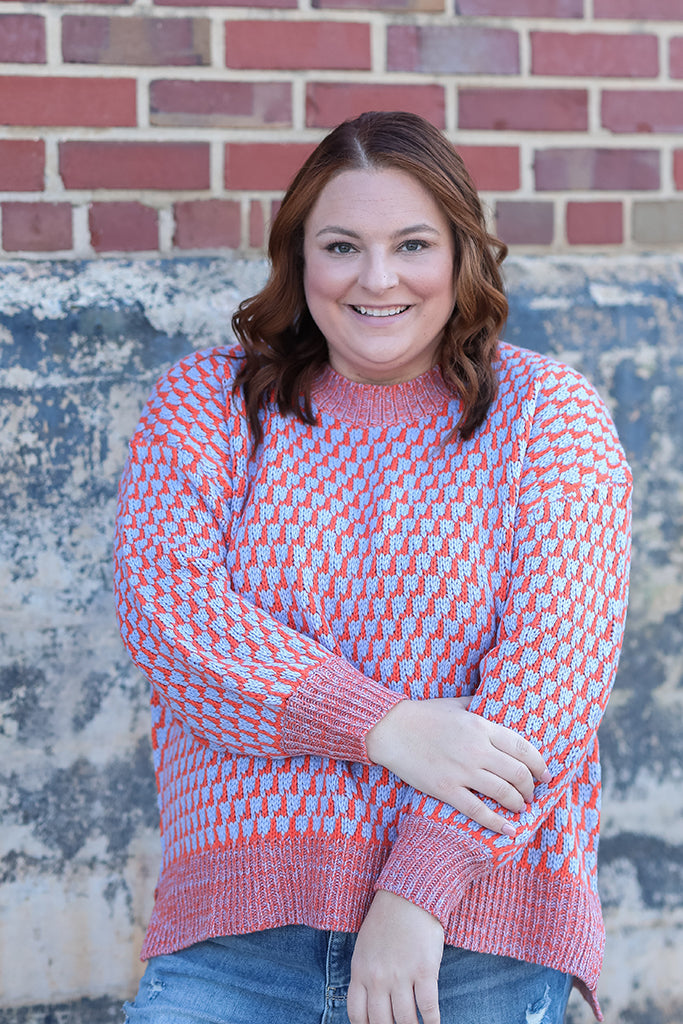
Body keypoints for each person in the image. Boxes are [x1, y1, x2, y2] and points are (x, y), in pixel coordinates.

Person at [114, 111, 632, 1024]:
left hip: (476, 945)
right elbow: (169, 616)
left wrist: (418, 889)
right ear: (299, 259)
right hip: (237, 946)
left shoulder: (548, 416)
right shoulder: (206, 405)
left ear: (460, 255)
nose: (377, 278)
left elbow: (551, 682)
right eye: (342, 245)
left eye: (412, 244)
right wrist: (381, 725)